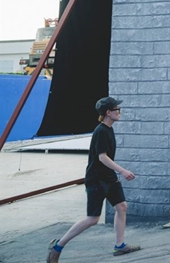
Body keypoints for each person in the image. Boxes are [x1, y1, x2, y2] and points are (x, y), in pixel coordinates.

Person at [46, 97, 140, 263]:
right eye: (116, 109)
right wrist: (123, 171)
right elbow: (102, 158)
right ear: (108, 113)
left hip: (108, 177)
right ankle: (58, 245)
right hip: (96, 179)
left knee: (121, 206)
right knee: (93, 219)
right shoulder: (101, 131)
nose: (119, 112)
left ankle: (120, 245)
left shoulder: (108, 129)